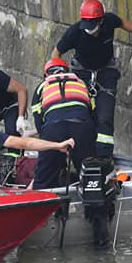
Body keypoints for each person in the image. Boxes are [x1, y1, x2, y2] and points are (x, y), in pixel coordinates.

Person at [50, 0, 132, 157]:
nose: (88, 29)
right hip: (82, 73)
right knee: (81, 114)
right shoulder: (75, 32)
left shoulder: (109, 21)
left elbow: (122, 23)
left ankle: (104, 157)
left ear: (100, 21)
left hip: (106, 71)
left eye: (92, 24)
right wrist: (57, 75)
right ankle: (82, 152)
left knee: (105, 116)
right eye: (86, 24)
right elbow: (56, 53)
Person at [30, 57, 97, 188]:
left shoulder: (42, 86)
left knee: (45, 177)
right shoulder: (81, 82)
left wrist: (50, 145)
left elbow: (39, 122)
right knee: (90, 176)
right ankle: (92, 197)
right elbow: (93, 113)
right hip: (81, 125)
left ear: (46, 75)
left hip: (53, 128)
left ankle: (42, 198)